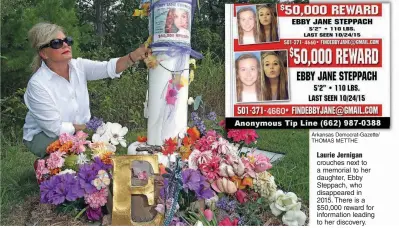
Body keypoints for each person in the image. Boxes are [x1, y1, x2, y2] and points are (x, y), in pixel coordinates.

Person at [23, 22, 151, 158]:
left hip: (79, 131)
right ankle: (46, 166)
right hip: (44, 135)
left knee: (100, 155)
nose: (65, 45)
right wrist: (94, 130)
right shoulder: (38, 84)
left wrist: (135, 55)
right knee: (76, 160)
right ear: (43, 53)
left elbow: (109, 68)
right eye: (56, 43)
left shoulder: (79, 66)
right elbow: (54, 128)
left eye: (67, 41)